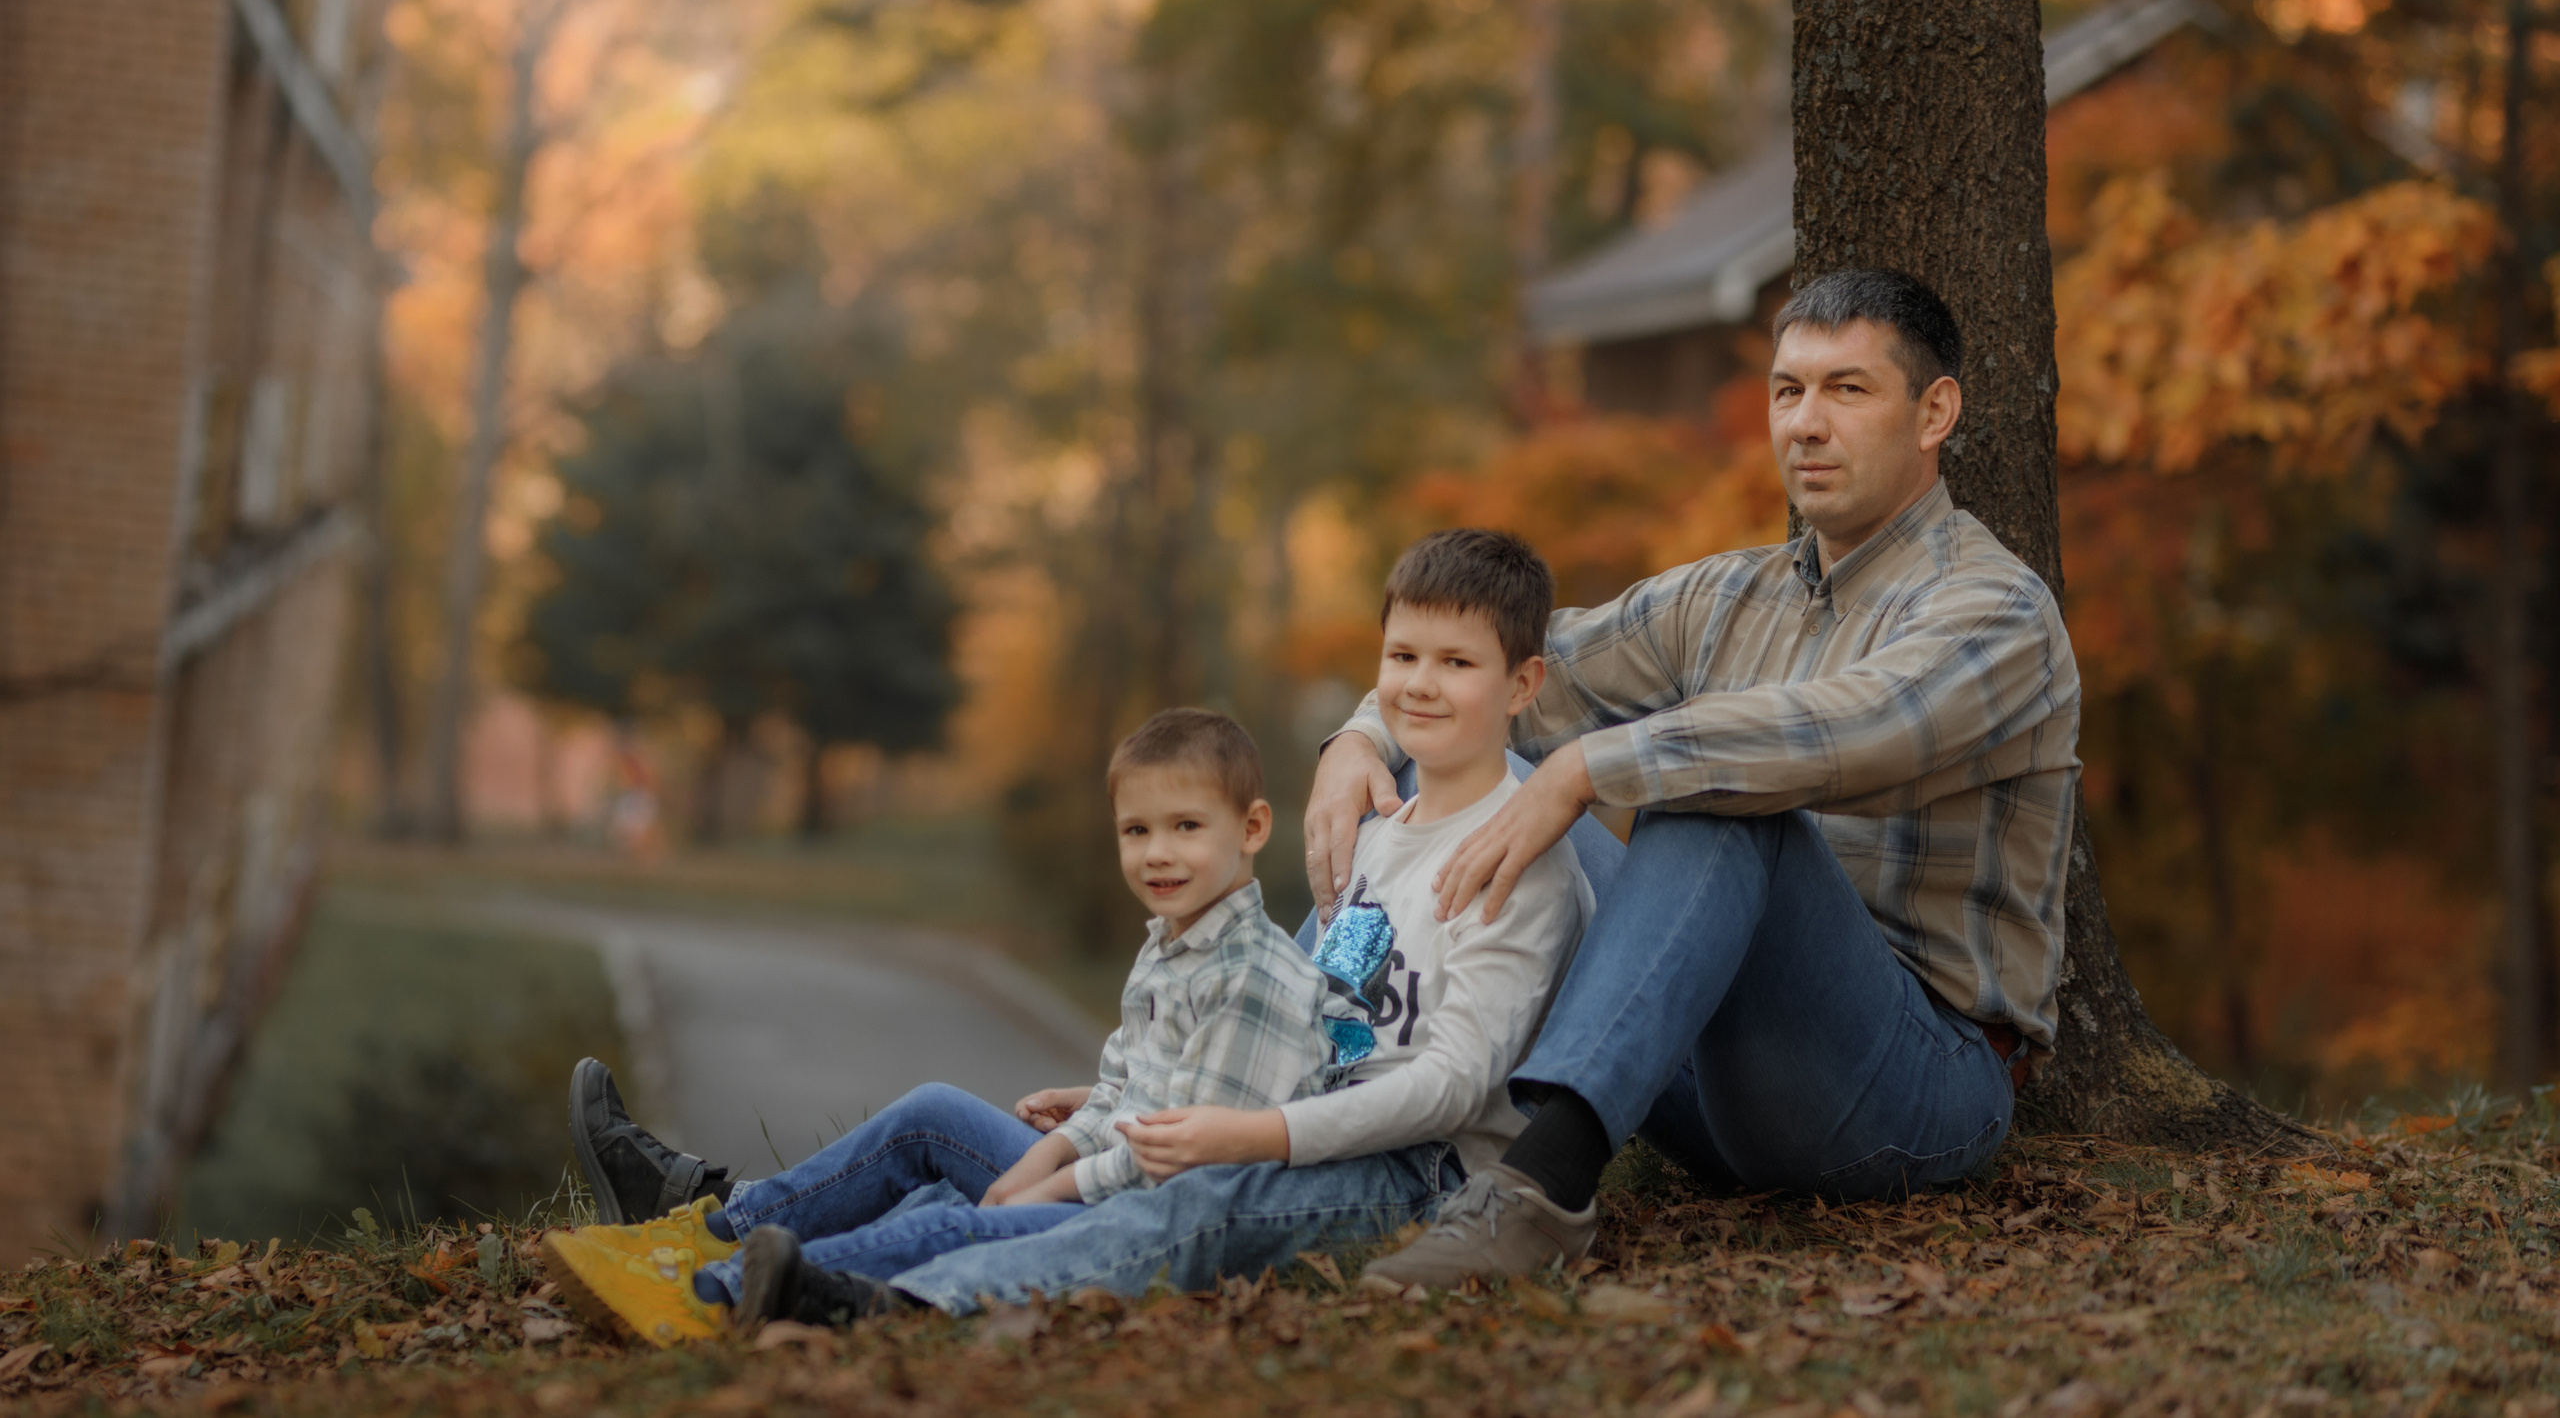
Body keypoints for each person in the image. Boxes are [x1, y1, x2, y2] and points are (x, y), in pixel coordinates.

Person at [1320, 267, 2082, 1292]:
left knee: (1719, 792)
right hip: (1697, 1068)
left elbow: (1853, 730)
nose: (1805, 424)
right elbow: (1507, 676)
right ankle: (1282, 1069)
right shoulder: (1728, 595)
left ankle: (1538, 1194)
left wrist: (1592, 767)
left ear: (1933, 410)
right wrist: (1359, 742)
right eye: (1786, 391)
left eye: (1847, 391)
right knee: (1460, 747)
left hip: (1908, 1085)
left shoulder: (1995, 611)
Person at [796, 527, 1605, 1315]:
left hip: (1415, 1174)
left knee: (1197, 1197)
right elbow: (1302, 1024)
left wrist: (1248, 1136)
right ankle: (732, 1247)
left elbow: (1452, 1087)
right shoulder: (1374, 837)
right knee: (942, 1119)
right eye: (1403, 656)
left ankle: (882, 1294)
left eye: (1456, 663)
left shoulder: (1520, 861)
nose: (1420, 684)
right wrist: (1167, 1087)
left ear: (1523, 684)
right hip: (1286, 1116)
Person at [541, 707, 1356, 1343]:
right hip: (1115, 1177)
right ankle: (712, 1228)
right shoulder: (1176, 941)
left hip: (1152, 1219)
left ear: (1252, 828)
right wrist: (1051, 1146)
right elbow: (1128, 1094)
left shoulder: (1251, 976)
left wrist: (1046, 1181)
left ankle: (710, 1295)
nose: (1156, 853)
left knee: (955, 1217)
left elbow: (1179, 1167)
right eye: (1136, 830)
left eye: (1186, 827)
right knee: (933, 1114)